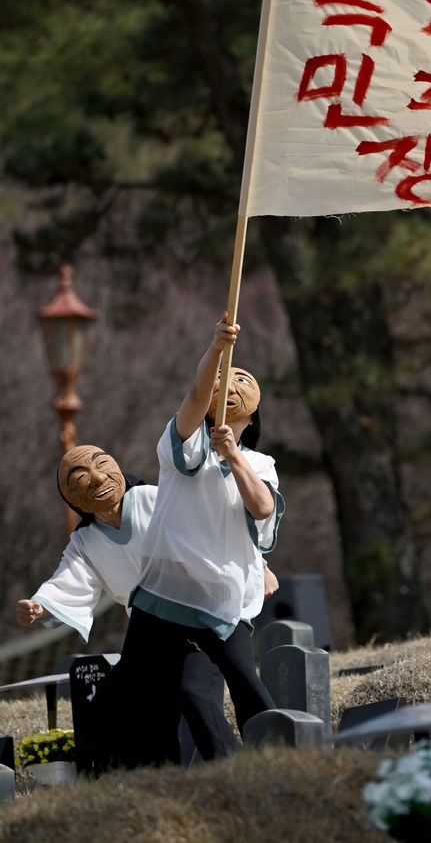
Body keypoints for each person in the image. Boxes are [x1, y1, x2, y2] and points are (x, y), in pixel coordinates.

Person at [16, 443, 279, 766]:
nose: (98, 479)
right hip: (151, 636)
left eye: (101, 465)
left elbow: (215, 525)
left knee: (196, 695)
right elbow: (66, 580)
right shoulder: (85, 542)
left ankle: (240, 769)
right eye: (81, 477)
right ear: (71, 497)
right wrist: (40, 607)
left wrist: (262, 566)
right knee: (105, 708)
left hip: (200, 618)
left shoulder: (154, 499)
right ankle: (151, 781)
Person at [109, 314, 285, 768]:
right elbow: (194, 396)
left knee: (245, 683)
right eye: (223, 381)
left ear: (251, 413)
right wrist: (215, 349)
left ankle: (279, 763)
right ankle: (149, 782)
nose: (230, 385)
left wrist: (232, 456)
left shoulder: (260, 463)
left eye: (240, 381)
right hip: (163, 595)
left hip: (220, 603)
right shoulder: (181, 448)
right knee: (142, 696)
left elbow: (262, 508)